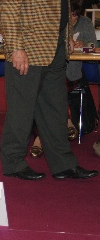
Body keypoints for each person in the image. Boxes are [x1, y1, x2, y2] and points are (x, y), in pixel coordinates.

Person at [0, 0, 98, 180]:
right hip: (28, 48)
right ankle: (13, 162)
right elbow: (9, 9)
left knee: (56, 109)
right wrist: (15, 48)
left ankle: (63, 164)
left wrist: (66, 36)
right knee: (21, 110)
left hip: (56, 47)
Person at [29, 0, 97, 158]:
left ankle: (43, 136)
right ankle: (62, 124)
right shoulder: (54, 23)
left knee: (52, 90)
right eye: (70, 14)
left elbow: (93, 44)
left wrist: (84, 43)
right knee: (48, 88)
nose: (73, 18)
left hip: (72, 76)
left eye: (75, 15)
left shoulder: (86, 23)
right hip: (53, 73)